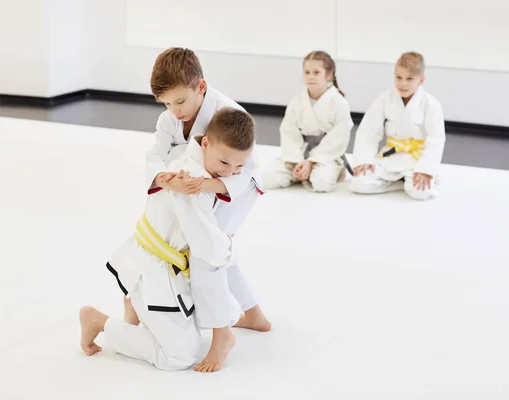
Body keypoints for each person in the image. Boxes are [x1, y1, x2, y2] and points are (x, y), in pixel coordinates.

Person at [79, 109, 261, 372]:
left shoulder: (193, 155)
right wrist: (232, 249)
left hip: (160, 261)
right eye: (224, 163)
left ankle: (135, 309)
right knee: (179, 356)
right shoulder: (189, 182)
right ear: (206, 143)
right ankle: (99, 321)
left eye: (239, 167)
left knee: (202, 311)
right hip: (155, 269)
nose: (230, 173)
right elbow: (208, 247)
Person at [146, 47, 270, 372]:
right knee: (219, 249)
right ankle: (254, 314)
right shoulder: (169, 118)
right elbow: (155, 157)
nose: (175, 111)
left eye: (180, 102)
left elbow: (247, 171)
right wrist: (167, 180)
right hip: (200, 187)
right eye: (167, 103)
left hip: (234, 190)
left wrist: (207, 186)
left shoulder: (230, 113)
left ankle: (221, 335)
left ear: (200, 86)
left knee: (207, 254)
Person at [351, 51, 445, 200]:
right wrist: (364, 160)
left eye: (409, 79)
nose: (402, 84)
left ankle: (410, 181)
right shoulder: (385, 98)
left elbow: (436, 139)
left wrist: (425, 170)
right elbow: (368, 132)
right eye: (398, 77)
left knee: (421, 192)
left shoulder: (430, 104)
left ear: (421, 80)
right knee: (358, 183)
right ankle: (401, 184)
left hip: (417, 157)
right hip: (392, 154)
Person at [263, 50, 353, 192]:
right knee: (268, 178)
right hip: (299, 152)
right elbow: (289, 132)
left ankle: (312, 171)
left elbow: (338, 138)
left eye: (316, 72)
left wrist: (312, 161)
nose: (311, 77)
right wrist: (298, 161)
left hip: (325, 155)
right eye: (307, 72)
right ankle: (301, 171)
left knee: (321, 183)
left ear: (329, 74)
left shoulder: (339, 102)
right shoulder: (297, 101)